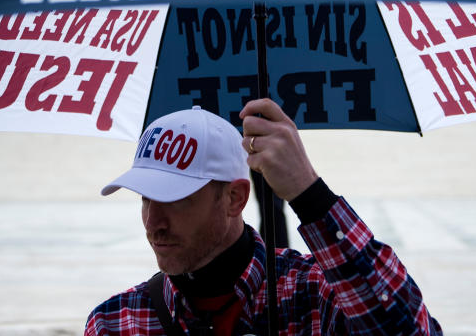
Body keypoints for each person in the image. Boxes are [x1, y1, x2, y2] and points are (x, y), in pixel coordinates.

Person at [85, 99, 442, 335]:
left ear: (234, 198)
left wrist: (309, 194)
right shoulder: (116, 322)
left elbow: (406, 328)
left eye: (174, 199)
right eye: (146, 198)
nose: (154, 223)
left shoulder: (313, 296)